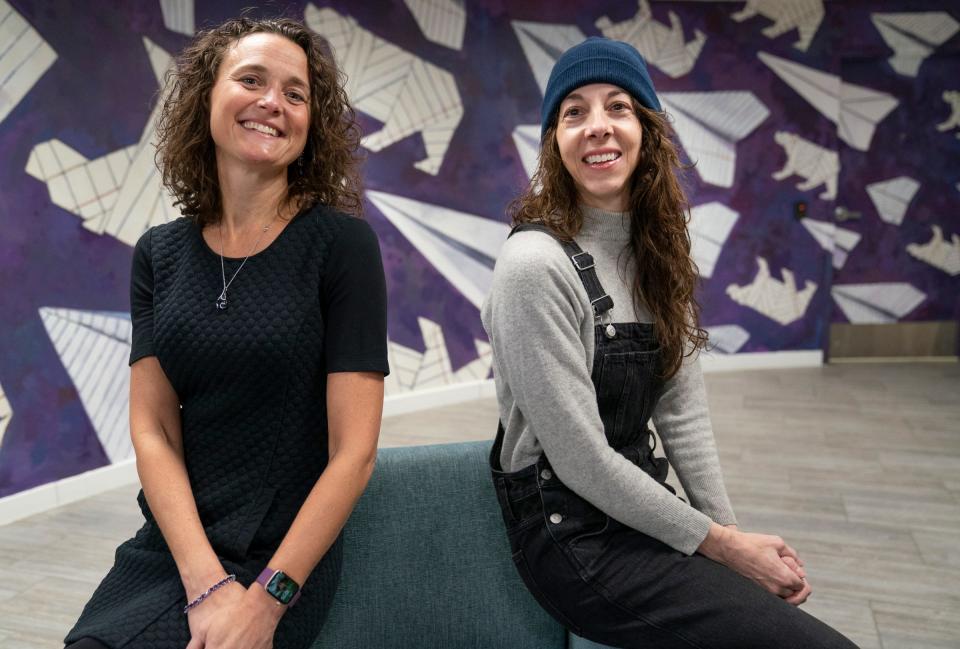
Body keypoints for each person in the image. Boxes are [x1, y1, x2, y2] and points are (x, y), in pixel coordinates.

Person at [483, 37, 858, 649]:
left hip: (643, 504)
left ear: (648, 128)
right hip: (572, 535)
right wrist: (726, 548)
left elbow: (681, 413)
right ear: (555, 140)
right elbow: (580, 460)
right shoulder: (533, 266)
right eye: (573, 112)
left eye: (618, 107)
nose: (596, 127)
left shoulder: (658, 248)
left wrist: (729, 535)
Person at [64, 16, 389, 649]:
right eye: (251, 80)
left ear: (310, 124)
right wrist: (202, 581)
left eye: (296, 94)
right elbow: (153, 428)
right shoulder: (159, 252)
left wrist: (267, 603)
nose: (273, 103)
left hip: (279, 558)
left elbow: (356, 451)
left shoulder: (341, 246)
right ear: (205, 99)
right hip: (175, 545)